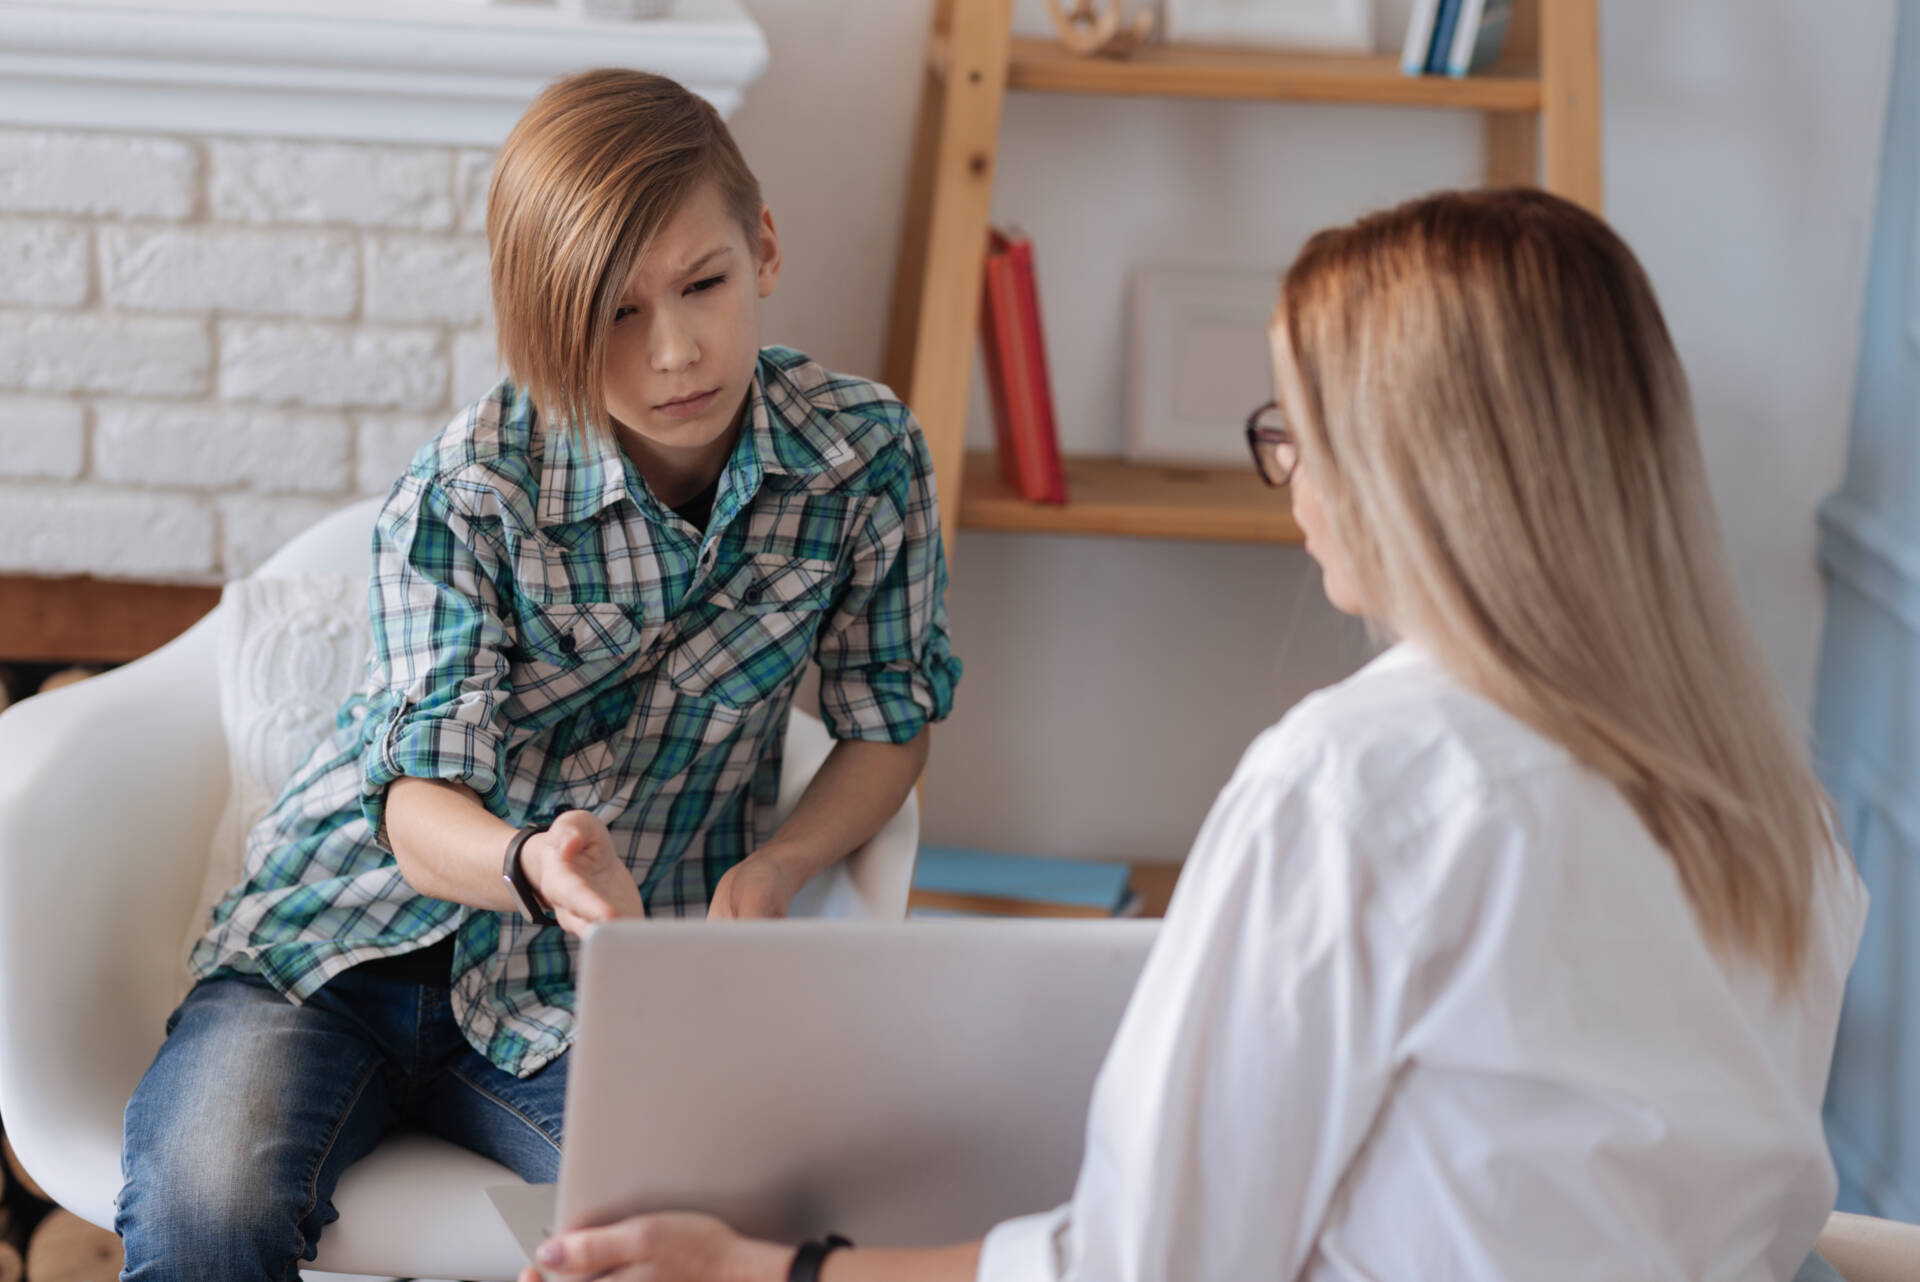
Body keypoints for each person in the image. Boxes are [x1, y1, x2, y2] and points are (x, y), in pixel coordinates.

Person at [522, 188, 1867, 1282]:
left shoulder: (1362, 781)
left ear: (1412, 464)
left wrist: (773, 1270)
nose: (1291, 477)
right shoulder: (1779, 815)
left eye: (1296, 432)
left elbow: (1141, 1265)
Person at [114, 68, 961, 1282]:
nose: (675, 350)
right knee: (205, 1203)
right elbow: (414, 812)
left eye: (703, 285)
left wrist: (776, 869)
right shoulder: (471, 489)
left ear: (763, 244)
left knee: (741, 1220)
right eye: (615, 315)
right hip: (338, 954)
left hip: (597, 990)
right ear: (546, 322)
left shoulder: (862, 460)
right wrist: (530, 863)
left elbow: (891, 720)